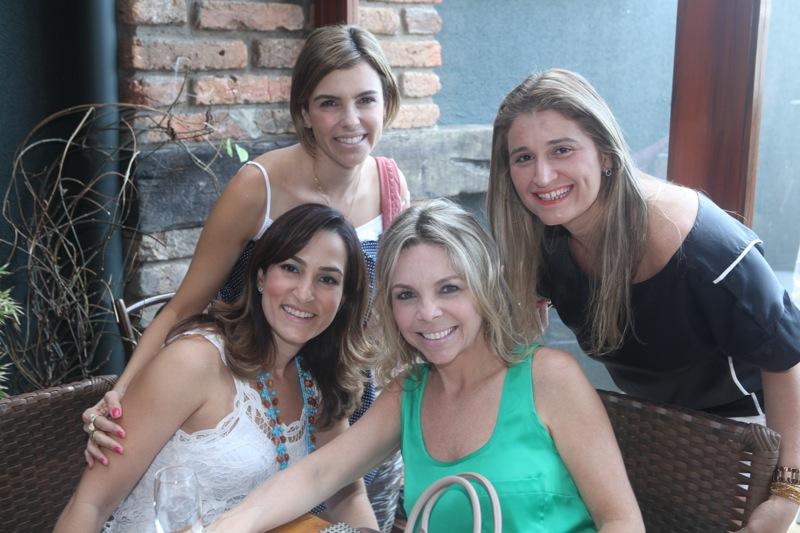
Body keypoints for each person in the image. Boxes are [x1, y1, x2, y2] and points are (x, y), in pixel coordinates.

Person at [205, 199, 644, 533]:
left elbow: (621, 521)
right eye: (406, 295)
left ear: (484, 286)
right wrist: (226, 527)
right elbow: (320, 473)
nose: (428, 313)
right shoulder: (409, 392)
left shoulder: (548, 377)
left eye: (449, 288)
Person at [486, 68, 800, 532]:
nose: (542, 175)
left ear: (605, 153)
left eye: (562, 150)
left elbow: (788, 358)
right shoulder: (545, 234)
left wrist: (788, 492)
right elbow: (520, 321)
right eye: (523, 157)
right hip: (652, 429)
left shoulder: (704, 251)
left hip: (741, 445)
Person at [82, 24, 409, 465]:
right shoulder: (258, 187)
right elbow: (181, 308)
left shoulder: (391, 186)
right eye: (329, 103)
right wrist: (120, 395)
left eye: (366, 100)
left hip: (346, 409)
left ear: (387, 102)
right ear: (304, 112)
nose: (351, 120)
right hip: (255, 417)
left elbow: (383, 320)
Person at [54, 204, 378, 532]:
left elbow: (348, 494)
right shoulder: (193, 362)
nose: (305, 293)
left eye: (327, 279)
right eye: (291, 268)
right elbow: (90, 505)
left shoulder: (318, 379)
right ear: (261, 277)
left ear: (344, 299)